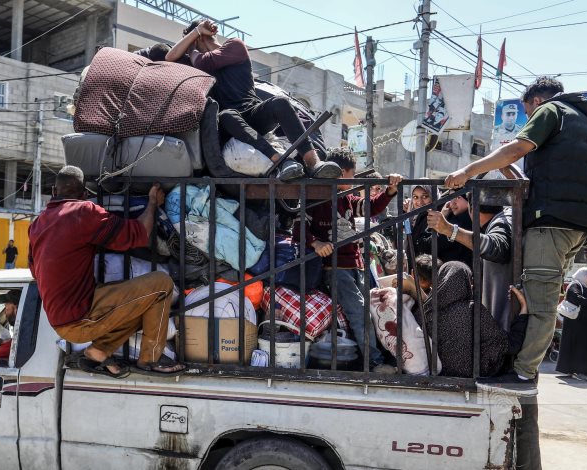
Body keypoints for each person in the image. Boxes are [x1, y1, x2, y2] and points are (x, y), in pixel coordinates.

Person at [445, 76, 587, 395]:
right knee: (540, 295)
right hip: (578, 224)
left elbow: (518, 148)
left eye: (526, 113)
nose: (527, 119)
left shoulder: (550, 111)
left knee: (541, 302)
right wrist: (509, 172)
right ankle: (523, 367)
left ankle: (523, 374)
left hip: (551, 224)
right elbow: (548, 179)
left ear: (535, 102)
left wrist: (467, 172)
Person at [28, 166, 185, 377]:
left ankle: (99, 350)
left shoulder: (38, 223)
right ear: (85, 195)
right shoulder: (83, 211)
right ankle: (150, 360)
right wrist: (153, 204)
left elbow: (34, 272)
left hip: (60, 319)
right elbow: (139, 233)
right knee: (162, 284)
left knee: (145, 304)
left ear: (54, 192)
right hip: (80, 319)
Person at [166, 20, 342, 181]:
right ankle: (280, 162)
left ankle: (314, 163)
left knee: (280, 102)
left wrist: (193, 43)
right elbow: (169, 57)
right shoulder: (198, 62)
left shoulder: (234, 46)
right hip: (230, 124)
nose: (191, 52)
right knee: (226, 115)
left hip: (252, 114)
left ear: (198, 40)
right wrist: (195, 33)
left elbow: (204, 63)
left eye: (192, 46)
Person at [293, 147, 402, 373]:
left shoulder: (348, 199)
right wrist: (316, 243)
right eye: (352, 175)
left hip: (355, 266)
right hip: (335, 268)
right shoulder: (317, 196)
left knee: (364, 314)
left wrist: (390, 191)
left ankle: (371, 358)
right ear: (342, 173)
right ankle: (373, 362)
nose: (354, 180)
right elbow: (298, 226)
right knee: (359, 314)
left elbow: (371, 206)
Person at [412, 262, 509, 378]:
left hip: (437, 376)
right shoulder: (474, 310)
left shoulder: (425, 312)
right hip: (475, 376)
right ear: (466, 281)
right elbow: (499, 342)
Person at [426, 202, 513, 331]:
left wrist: (449, 229)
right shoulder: (503, 218)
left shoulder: (503, 221)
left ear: (472, 209)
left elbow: (496, 247)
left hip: (506, 327)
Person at [555, 268, 587, 380]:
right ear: (583, 275)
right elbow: (576, 297)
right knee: (579, 346)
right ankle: (577, 371)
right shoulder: (574, 285)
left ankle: (584, 370)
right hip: (577, 323)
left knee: (585, 346)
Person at [411, 189, 474, 268]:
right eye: (451, 197)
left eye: (458, 197)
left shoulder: (461, 221)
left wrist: (440, 220)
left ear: (468, 199)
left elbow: (426, 246)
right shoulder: (458, 217)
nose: (452, 203)